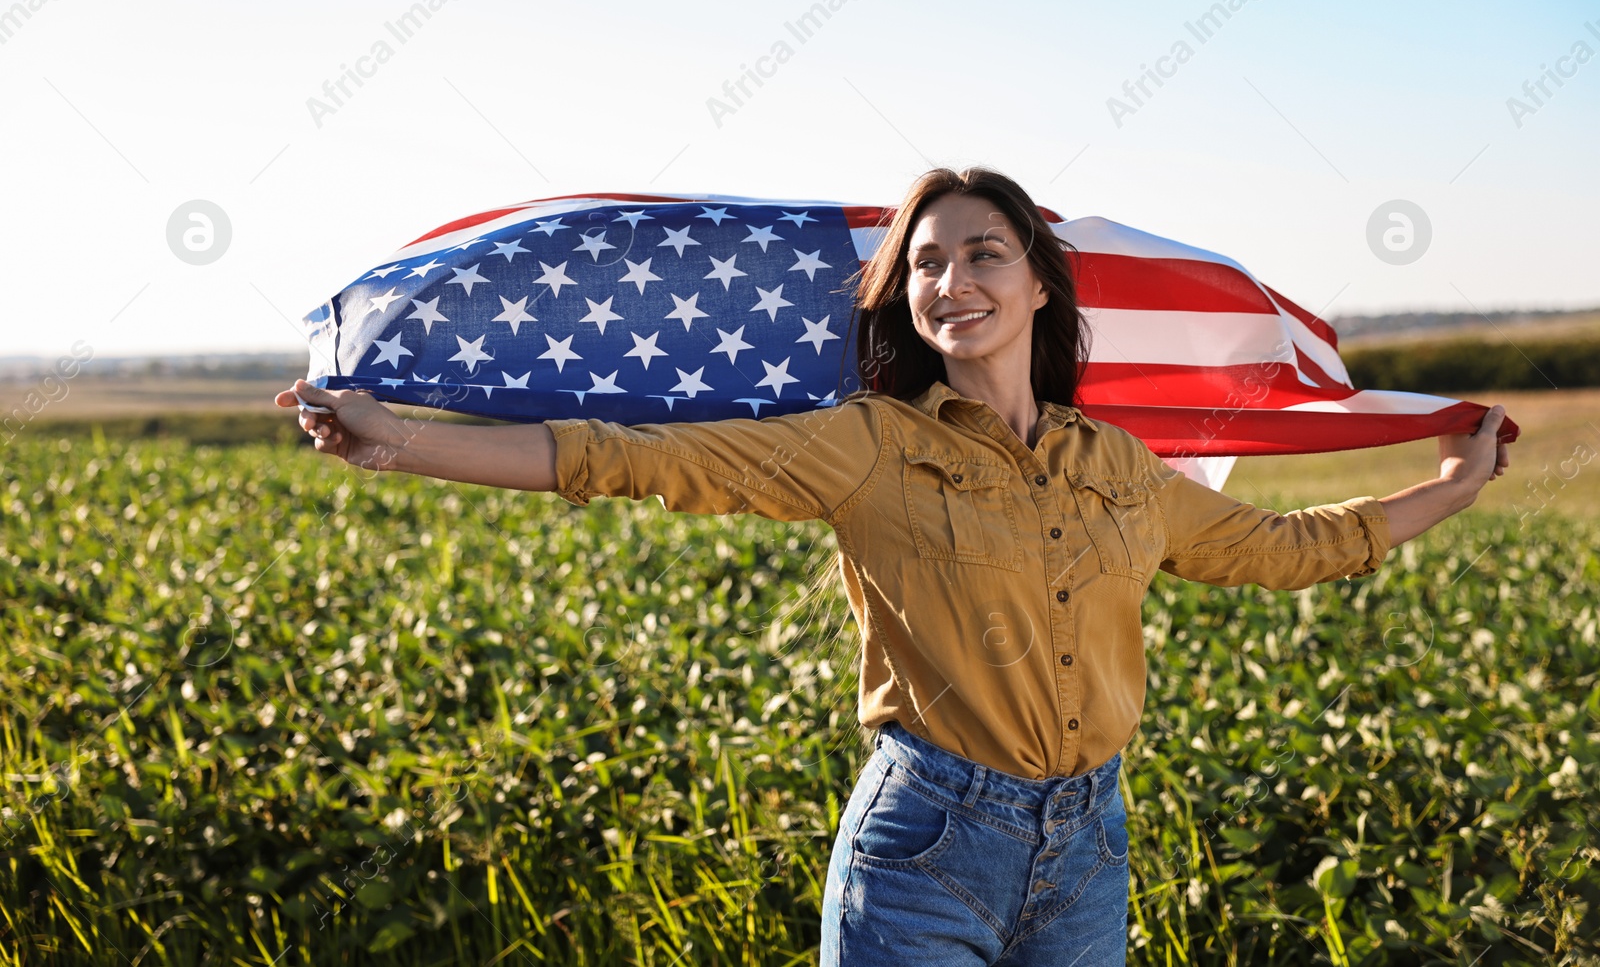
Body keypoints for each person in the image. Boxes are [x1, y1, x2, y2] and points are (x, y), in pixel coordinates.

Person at [276, 166, 1510, 965]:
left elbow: (1295, 547)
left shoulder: (1121, 468)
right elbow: (628, 457)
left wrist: (1444, 489)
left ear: (1037, 281)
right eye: (925, 262)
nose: (950, 279)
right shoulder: (868, 447)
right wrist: (399, 442)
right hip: (926, 849)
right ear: (902, 296)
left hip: (1089, 852)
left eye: (981, 254)